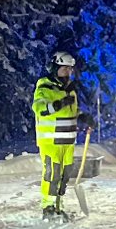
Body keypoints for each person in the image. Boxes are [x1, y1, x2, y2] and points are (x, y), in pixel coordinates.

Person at [32, 50, 85, 220]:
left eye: (69, 70)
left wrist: (83, 117)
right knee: (52, 174)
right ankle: (47, 205)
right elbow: (40, 108)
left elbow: (73, 111)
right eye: (64, 69)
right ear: (55, 69)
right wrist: (59, 104)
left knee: (64, 175)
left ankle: (58, 205)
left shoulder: (70, 89)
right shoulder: (45, 87)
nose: (67, 73)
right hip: (51, 140)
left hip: (68, 141)